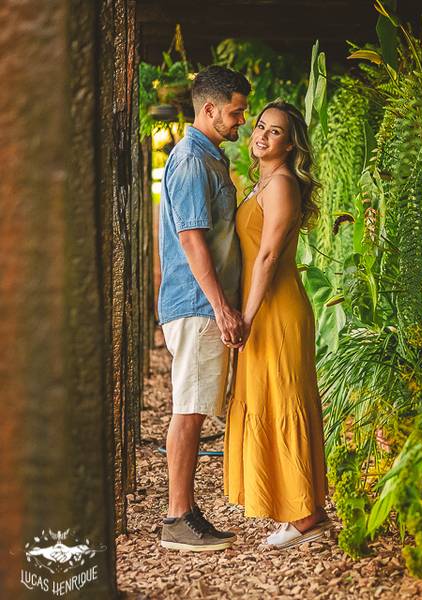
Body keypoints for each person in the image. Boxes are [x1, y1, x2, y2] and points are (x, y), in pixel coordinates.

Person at [223, 100, 329, 549]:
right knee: (267, 397)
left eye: (276, 131)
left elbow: (266, 256)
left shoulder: (282, 184)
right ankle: (298, 507)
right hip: (260, 306)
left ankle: (307, 516)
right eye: (260, 127)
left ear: (291, 144)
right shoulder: (261, 182)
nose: (262, 135)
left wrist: (245, 317)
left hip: (277, 309)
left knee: (285, 399)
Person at [157, 65, 250, 552]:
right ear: (209, 108)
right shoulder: (192, 160)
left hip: (202, 303)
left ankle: (187, 510)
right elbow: (192, 239)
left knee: (193, 407)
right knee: (189, 409)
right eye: (235, 113)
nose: (241, 123)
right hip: (197, 304)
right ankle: (177, 517)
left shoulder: (209, 157)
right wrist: (222, 307)